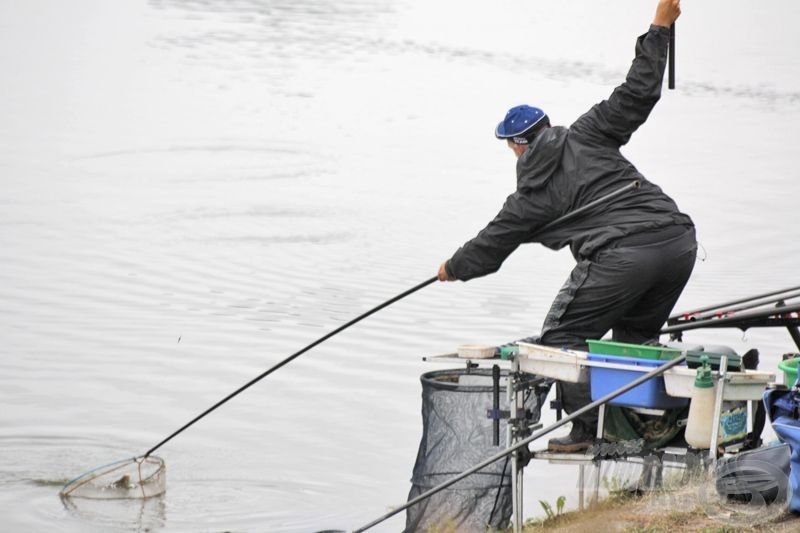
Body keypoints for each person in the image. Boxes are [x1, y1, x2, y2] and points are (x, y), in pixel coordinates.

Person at [437, 0, 696, 453]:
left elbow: (490, 245)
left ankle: (583, 434)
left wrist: (451, 268)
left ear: (517, 146)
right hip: (678, 242)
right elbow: (638, 92)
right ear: (547, 127)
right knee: (634, 339)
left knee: (562, 339)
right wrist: (659, 29)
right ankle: (652, 426)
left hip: (623, 254)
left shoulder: (529, 199)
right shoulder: (589, 132)